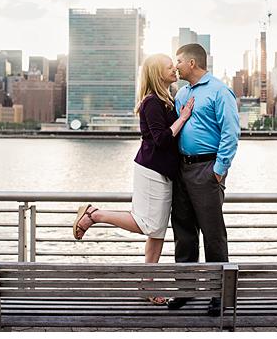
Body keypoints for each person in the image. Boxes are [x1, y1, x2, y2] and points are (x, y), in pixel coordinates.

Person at [72, 53, 194, 305]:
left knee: (158, 232)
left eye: (174, 64)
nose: (174, 69)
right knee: (149, 225)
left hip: (165, 172)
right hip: (151, 171)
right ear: (156, 73)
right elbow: (160, 140)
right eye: (168, 66)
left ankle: (146, 285)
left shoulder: (167, 99)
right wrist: (183, 118)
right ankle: (95, 214)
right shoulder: (152, 102)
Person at [167, 43, 240, 316]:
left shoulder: (220, 91)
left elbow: (230, 133)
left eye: (179, 61)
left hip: (207, 169)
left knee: (213, 236)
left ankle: (218, 296)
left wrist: (219, 170)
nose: (176, 66)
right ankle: (185, 292)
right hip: (182, 170)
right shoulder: (182, 93)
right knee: (183, 234)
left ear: (192, 63)